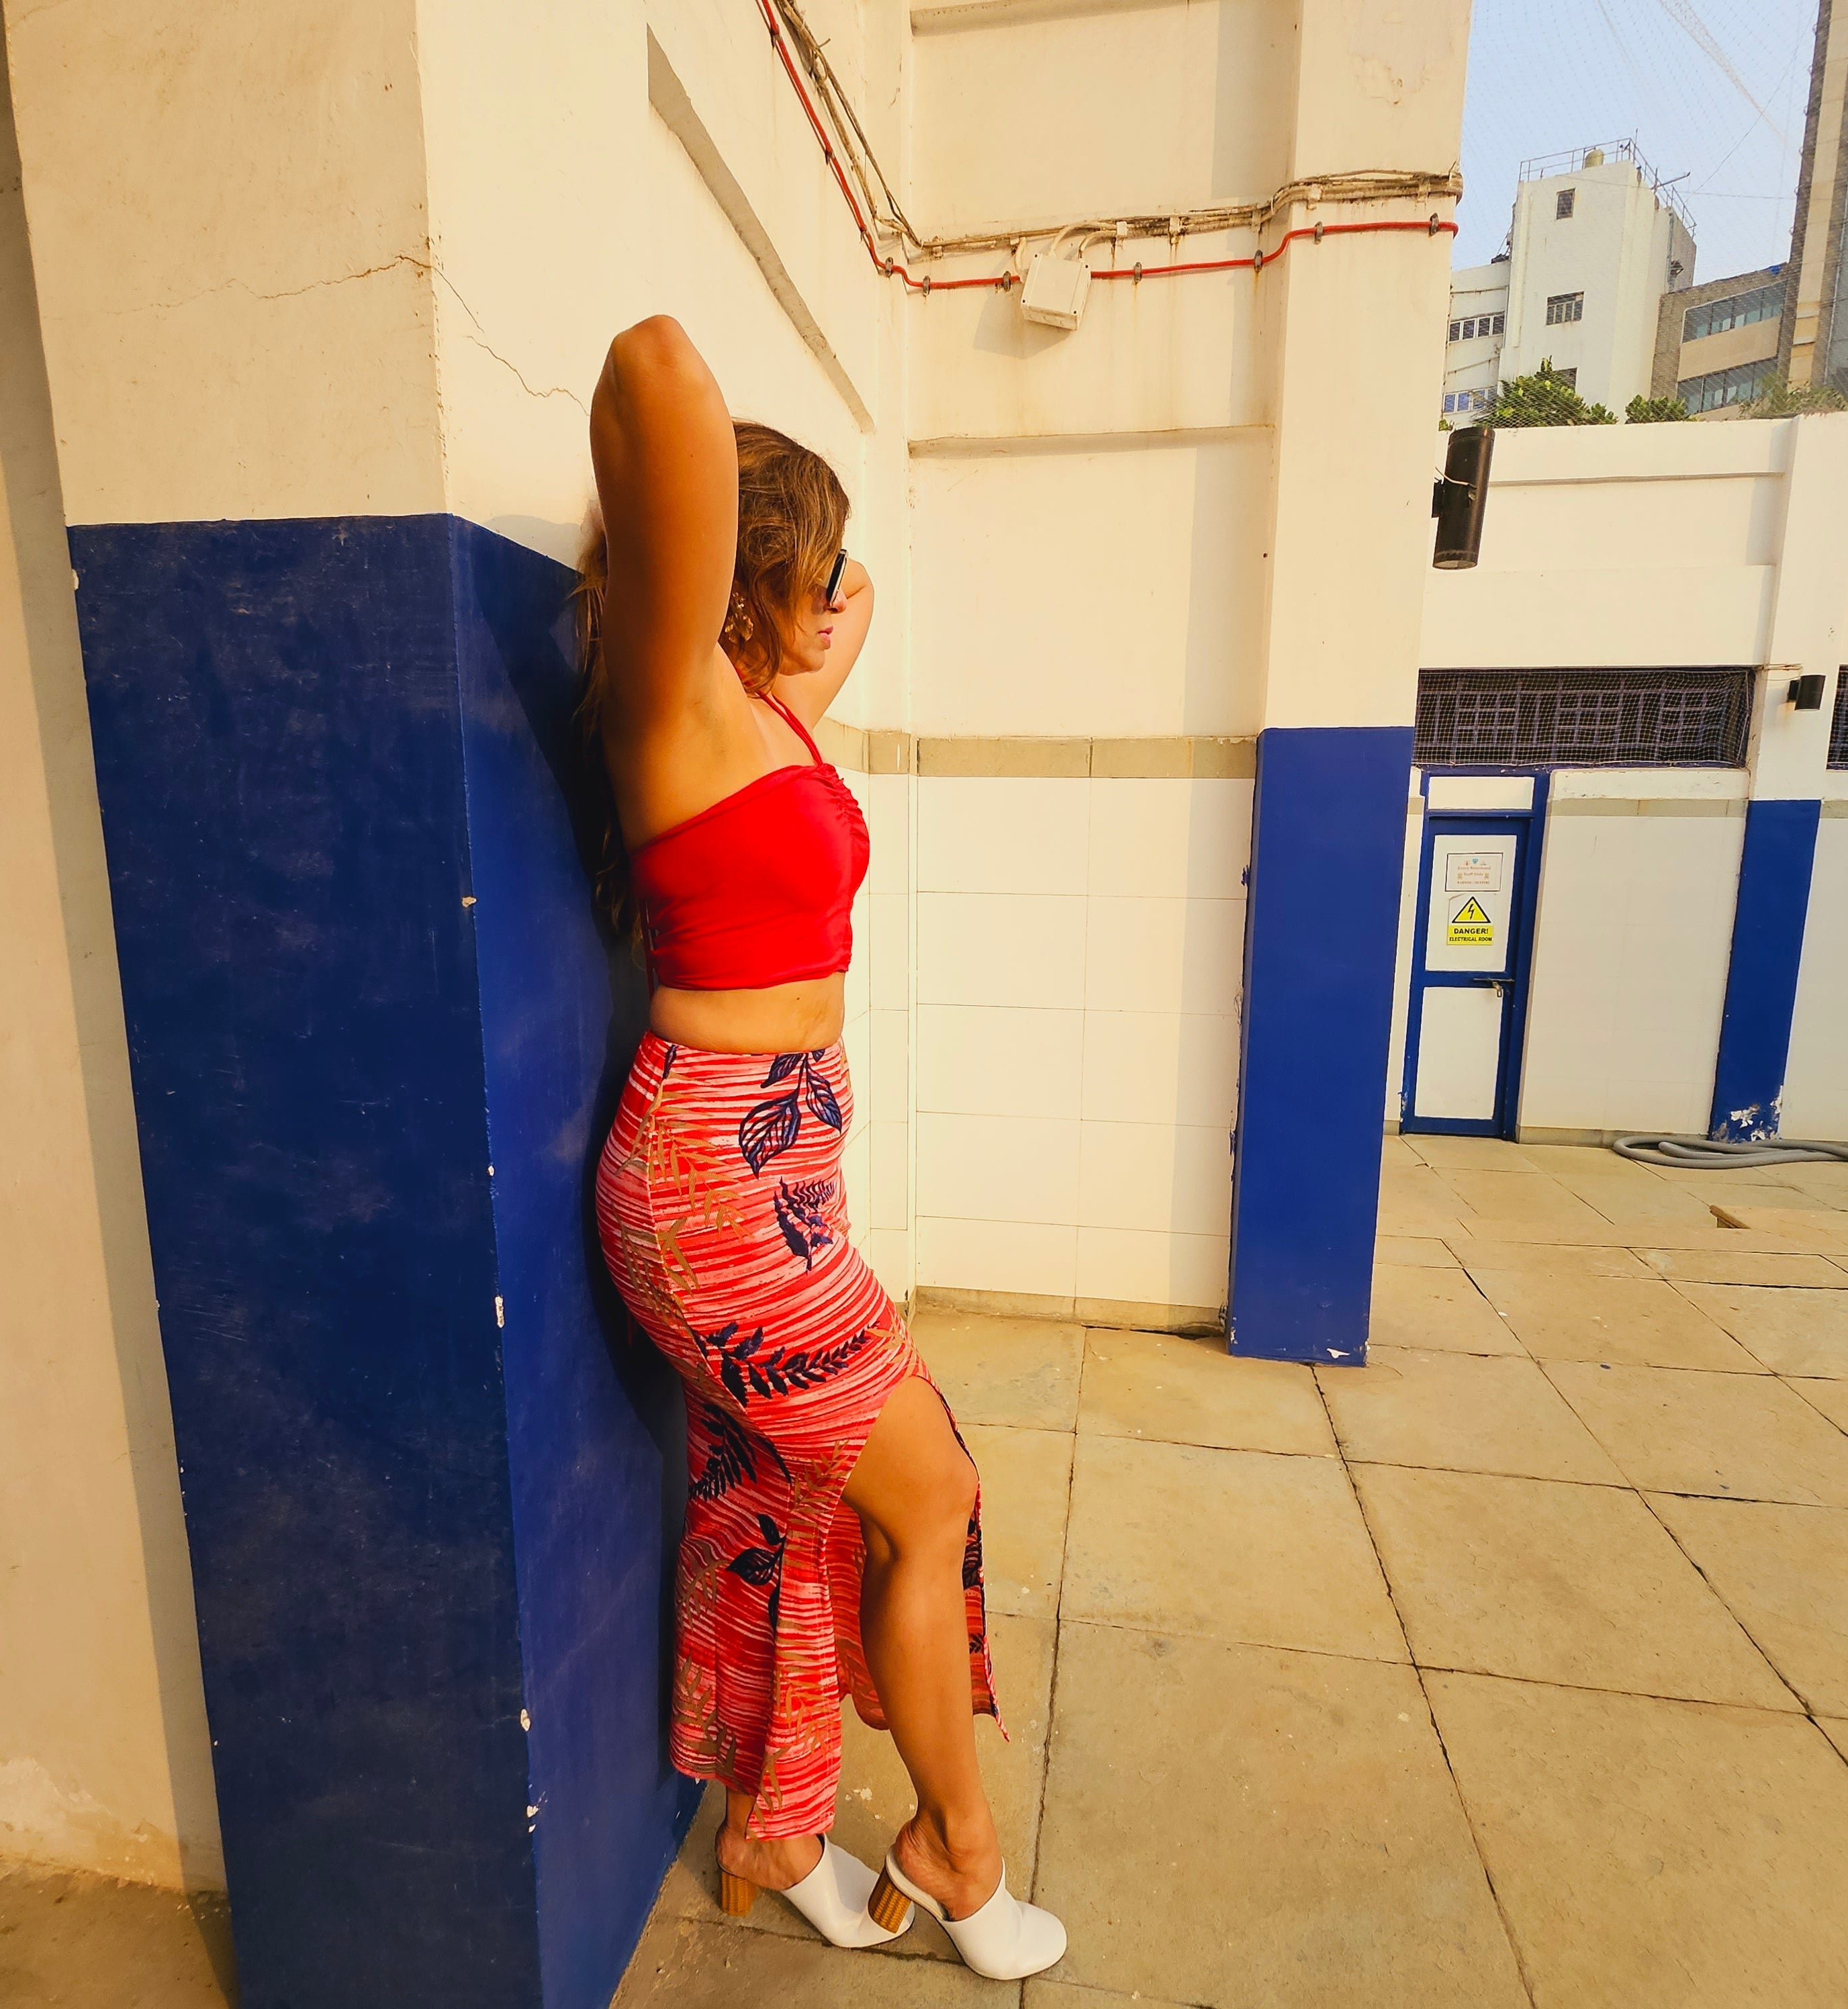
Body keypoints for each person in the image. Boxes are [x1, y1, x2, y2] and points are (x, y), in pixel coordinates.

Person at [578, 316, 1065, 1983]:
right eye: (816, 560)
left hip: (783, 1172)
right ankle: (957, 1840)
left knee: (792, 1500)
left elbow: (838, 624)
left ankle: (774, 1827)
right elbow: (657, 373)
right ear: (741, 567)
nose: (839, 592)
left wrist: (810, 581)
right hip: (709, 1187)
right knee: (930, 1498)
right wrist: (727, 532)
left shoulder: (768, 709)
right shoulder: (673, 702)